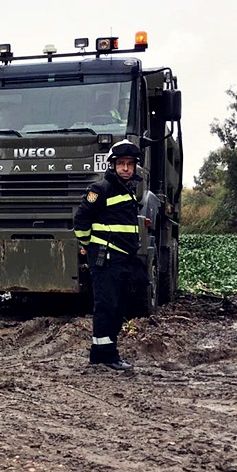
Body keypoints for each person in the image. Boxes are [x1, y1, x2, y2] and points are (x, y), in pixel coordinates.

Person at [73, 140, 145, 371]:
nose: (125, 168)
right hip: (106, 257)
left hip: (123, 257)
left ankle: (103, 352)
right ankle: (106, 354)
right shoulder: (100, 189)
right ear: (112, 166)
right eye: (121, 164)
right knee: (107, 305)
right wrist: (87, 244)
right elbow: (81, 220)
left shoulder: (128, 190)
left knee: (119, 305)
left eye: (130, 164)